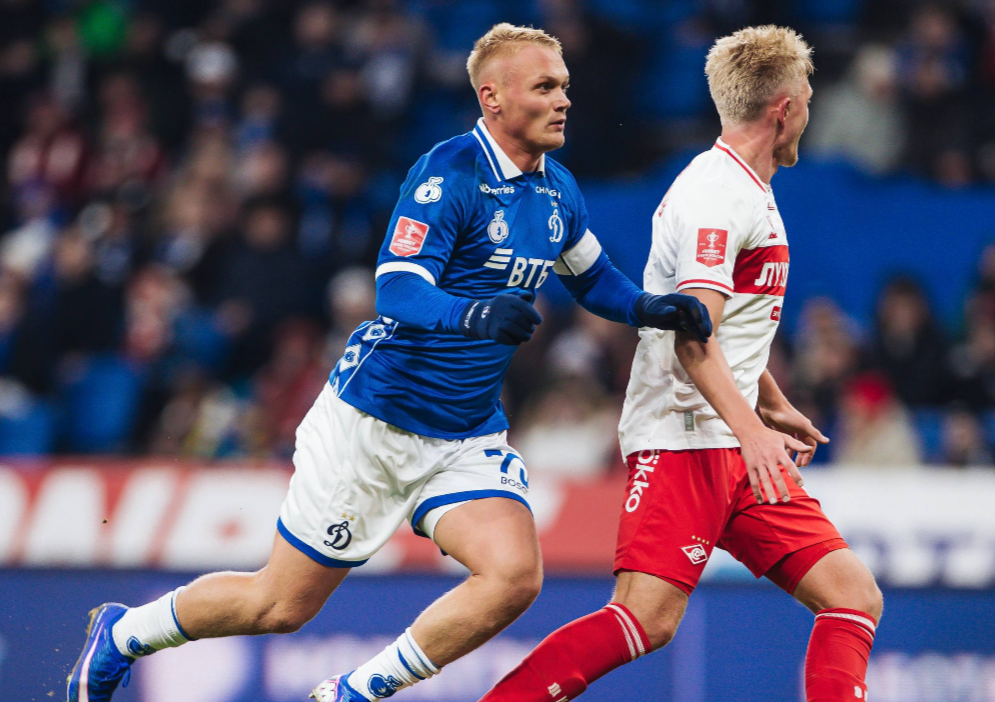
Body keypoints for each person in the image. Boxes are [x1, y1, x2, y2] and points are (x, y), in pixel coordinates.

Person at [66, 23, 712, 702]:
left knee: (513, 577)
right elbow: (398, 288)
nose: (564, 100)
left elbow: (592, 276)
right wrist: (472, 314)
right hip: (375, 422)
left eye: (565, 86)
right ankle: (124, 633)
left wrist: (646, 307)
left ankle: (356, 691)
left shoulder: (557, 190)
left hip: (465, 431)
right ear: (492, 97)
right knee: (278, 606)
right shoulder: (448, 173)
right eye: (545, 86)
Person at [477, 25, 884, 702]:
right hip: (685, 437)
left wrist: (768, 399)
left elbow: (728, 325)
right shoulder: (717, 198)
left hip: (732, 438)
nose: (809, 114)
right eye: (808, 100)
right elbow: (692, 336)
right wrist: (754, 431)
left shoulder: (747, 187)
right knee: (644, 619)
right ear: (783, 108)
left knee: (851, 596)